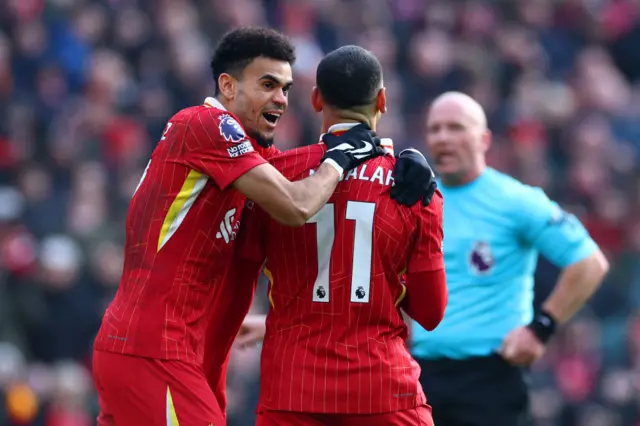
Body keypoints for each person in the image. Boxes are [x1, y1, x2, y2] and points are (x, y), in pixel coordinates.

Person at [92, 28, 437, 426]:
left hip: (170, 350)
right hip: (155, 350)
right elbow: (298, 203)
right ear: (227, 85)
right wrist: (341, 160)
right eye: (268, 84)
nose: (280, 99)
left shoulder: (249, 156)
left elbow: (315, 180)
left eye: (287, 88)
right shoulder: (206, 125)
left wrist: (404, 160)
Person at [217, 45, 448, 426]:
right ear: (383, 101)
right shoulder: (414, 188)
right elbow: (431, 312)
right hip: (382, 392)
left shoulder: (275, 176)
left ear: (316, 99)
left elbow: (238, 275)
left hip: (291, 390)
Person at [410, 91, 610, 426]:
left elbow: (589, 263)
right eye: (435, 129)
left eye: (456, 128)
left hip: (491, 378)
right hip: (419, 376)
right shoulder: (416, 203)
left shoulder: (516, 201)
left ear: (484, 139)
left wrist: (541, 328)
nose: (443, 138)